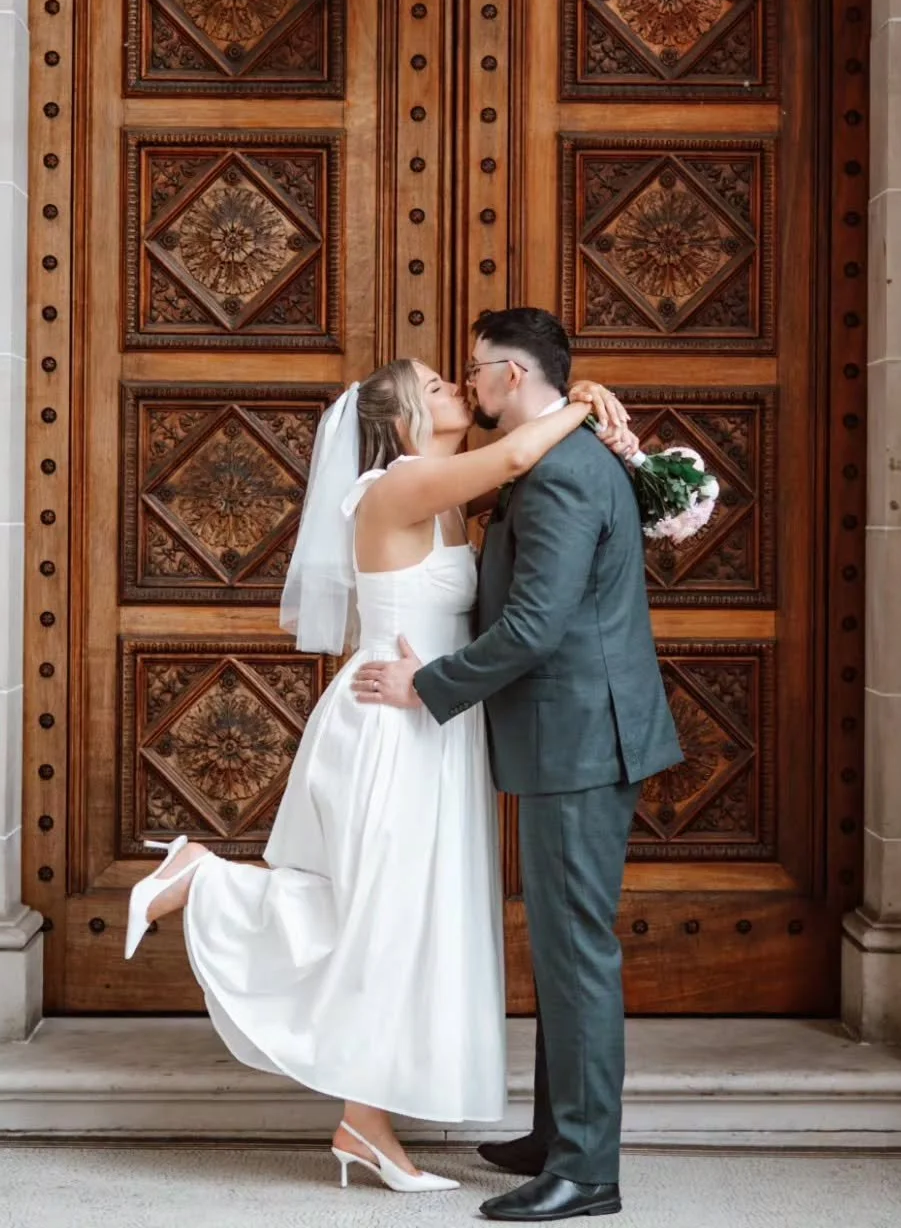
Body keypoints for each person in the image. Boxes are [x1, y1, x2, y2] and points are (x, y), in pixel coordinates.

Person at [122, 354, 635, 1195]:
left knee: (401, 922)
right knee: (374, 914)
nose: (458, 391)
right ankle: (203, 878)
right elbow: (513, 456)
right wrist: (583, 401)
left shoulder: (444, 492)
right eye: (437, 387)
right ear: (401, 422)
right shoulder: (396, 488)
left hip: (433, 723)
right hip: (388, 725)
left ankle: (365, 1124)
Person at [356, 308, 683, 1224]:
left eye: (473, 371)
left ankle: (588, 1169)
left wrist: (431, 685)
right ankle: (554, 1136)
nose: (466, 384)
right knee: (562, 947)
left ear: (507, 376)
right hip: (566, 733)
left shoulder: (562, 477)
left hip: (580, 737)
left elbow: (535, 627)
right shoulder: (554, 459)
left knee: (578, 952)